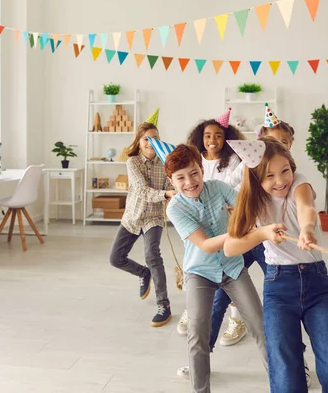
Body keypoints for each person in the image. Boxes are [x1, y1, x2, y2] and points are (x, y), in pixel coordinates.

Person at [224, 137, 328, 393]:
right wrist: (264, 234)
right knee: (285, 372)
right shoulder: (252, 199)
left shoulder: (300, 182)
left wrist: (307, 229)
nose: (280, 180)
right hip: (278, 287)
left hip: (317, 284)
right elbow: (230, 247)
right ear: (256, 179)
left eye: (285, 170)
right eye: (269, 175)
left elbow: (306, 207)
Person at [164, 144, 267, 393]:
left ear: (201, 169)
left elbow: (246, 209)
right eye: (180, 178)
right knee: (197, 333)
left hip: (232, 267)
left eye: (194, 173)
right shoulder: (175, 208)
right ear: (172, 181)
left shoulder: (218, 188)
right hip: (199, 271)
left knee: (260, 326)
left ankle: (283, 381)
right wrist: (237, 230)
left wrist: (246, 218)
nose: (189, 182)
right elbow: (206, 245)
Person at [177, 107, 249, 348]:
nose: (212, 140)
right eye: (208, 135)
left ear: (226, 138)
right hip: (198, 223)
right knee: (200, 270)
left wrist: (231, 206)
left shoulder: (233, 161)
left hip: (226, 224)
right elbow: (188, 187)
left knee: (232, 274)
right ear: (201, 138)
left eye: (218, 135)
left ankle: (236, 319)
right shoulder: (194, 160)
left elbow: (233, 190)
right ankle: (194, 309)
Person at [108, 111, 176, 327]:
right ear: (138, 142)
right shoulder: (132, 162)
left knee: (152, 255)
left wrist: (172, 189)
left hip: (153, 218)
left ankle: (163, 305)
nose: (151, 142)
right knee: (116, 258)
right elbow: (141, 190)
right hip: (132, 217)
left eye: (155, 138)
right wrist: (165, 194)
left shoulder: (165, 163)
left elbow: (169, 185)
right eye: (147, 138)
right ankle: (143, 273)